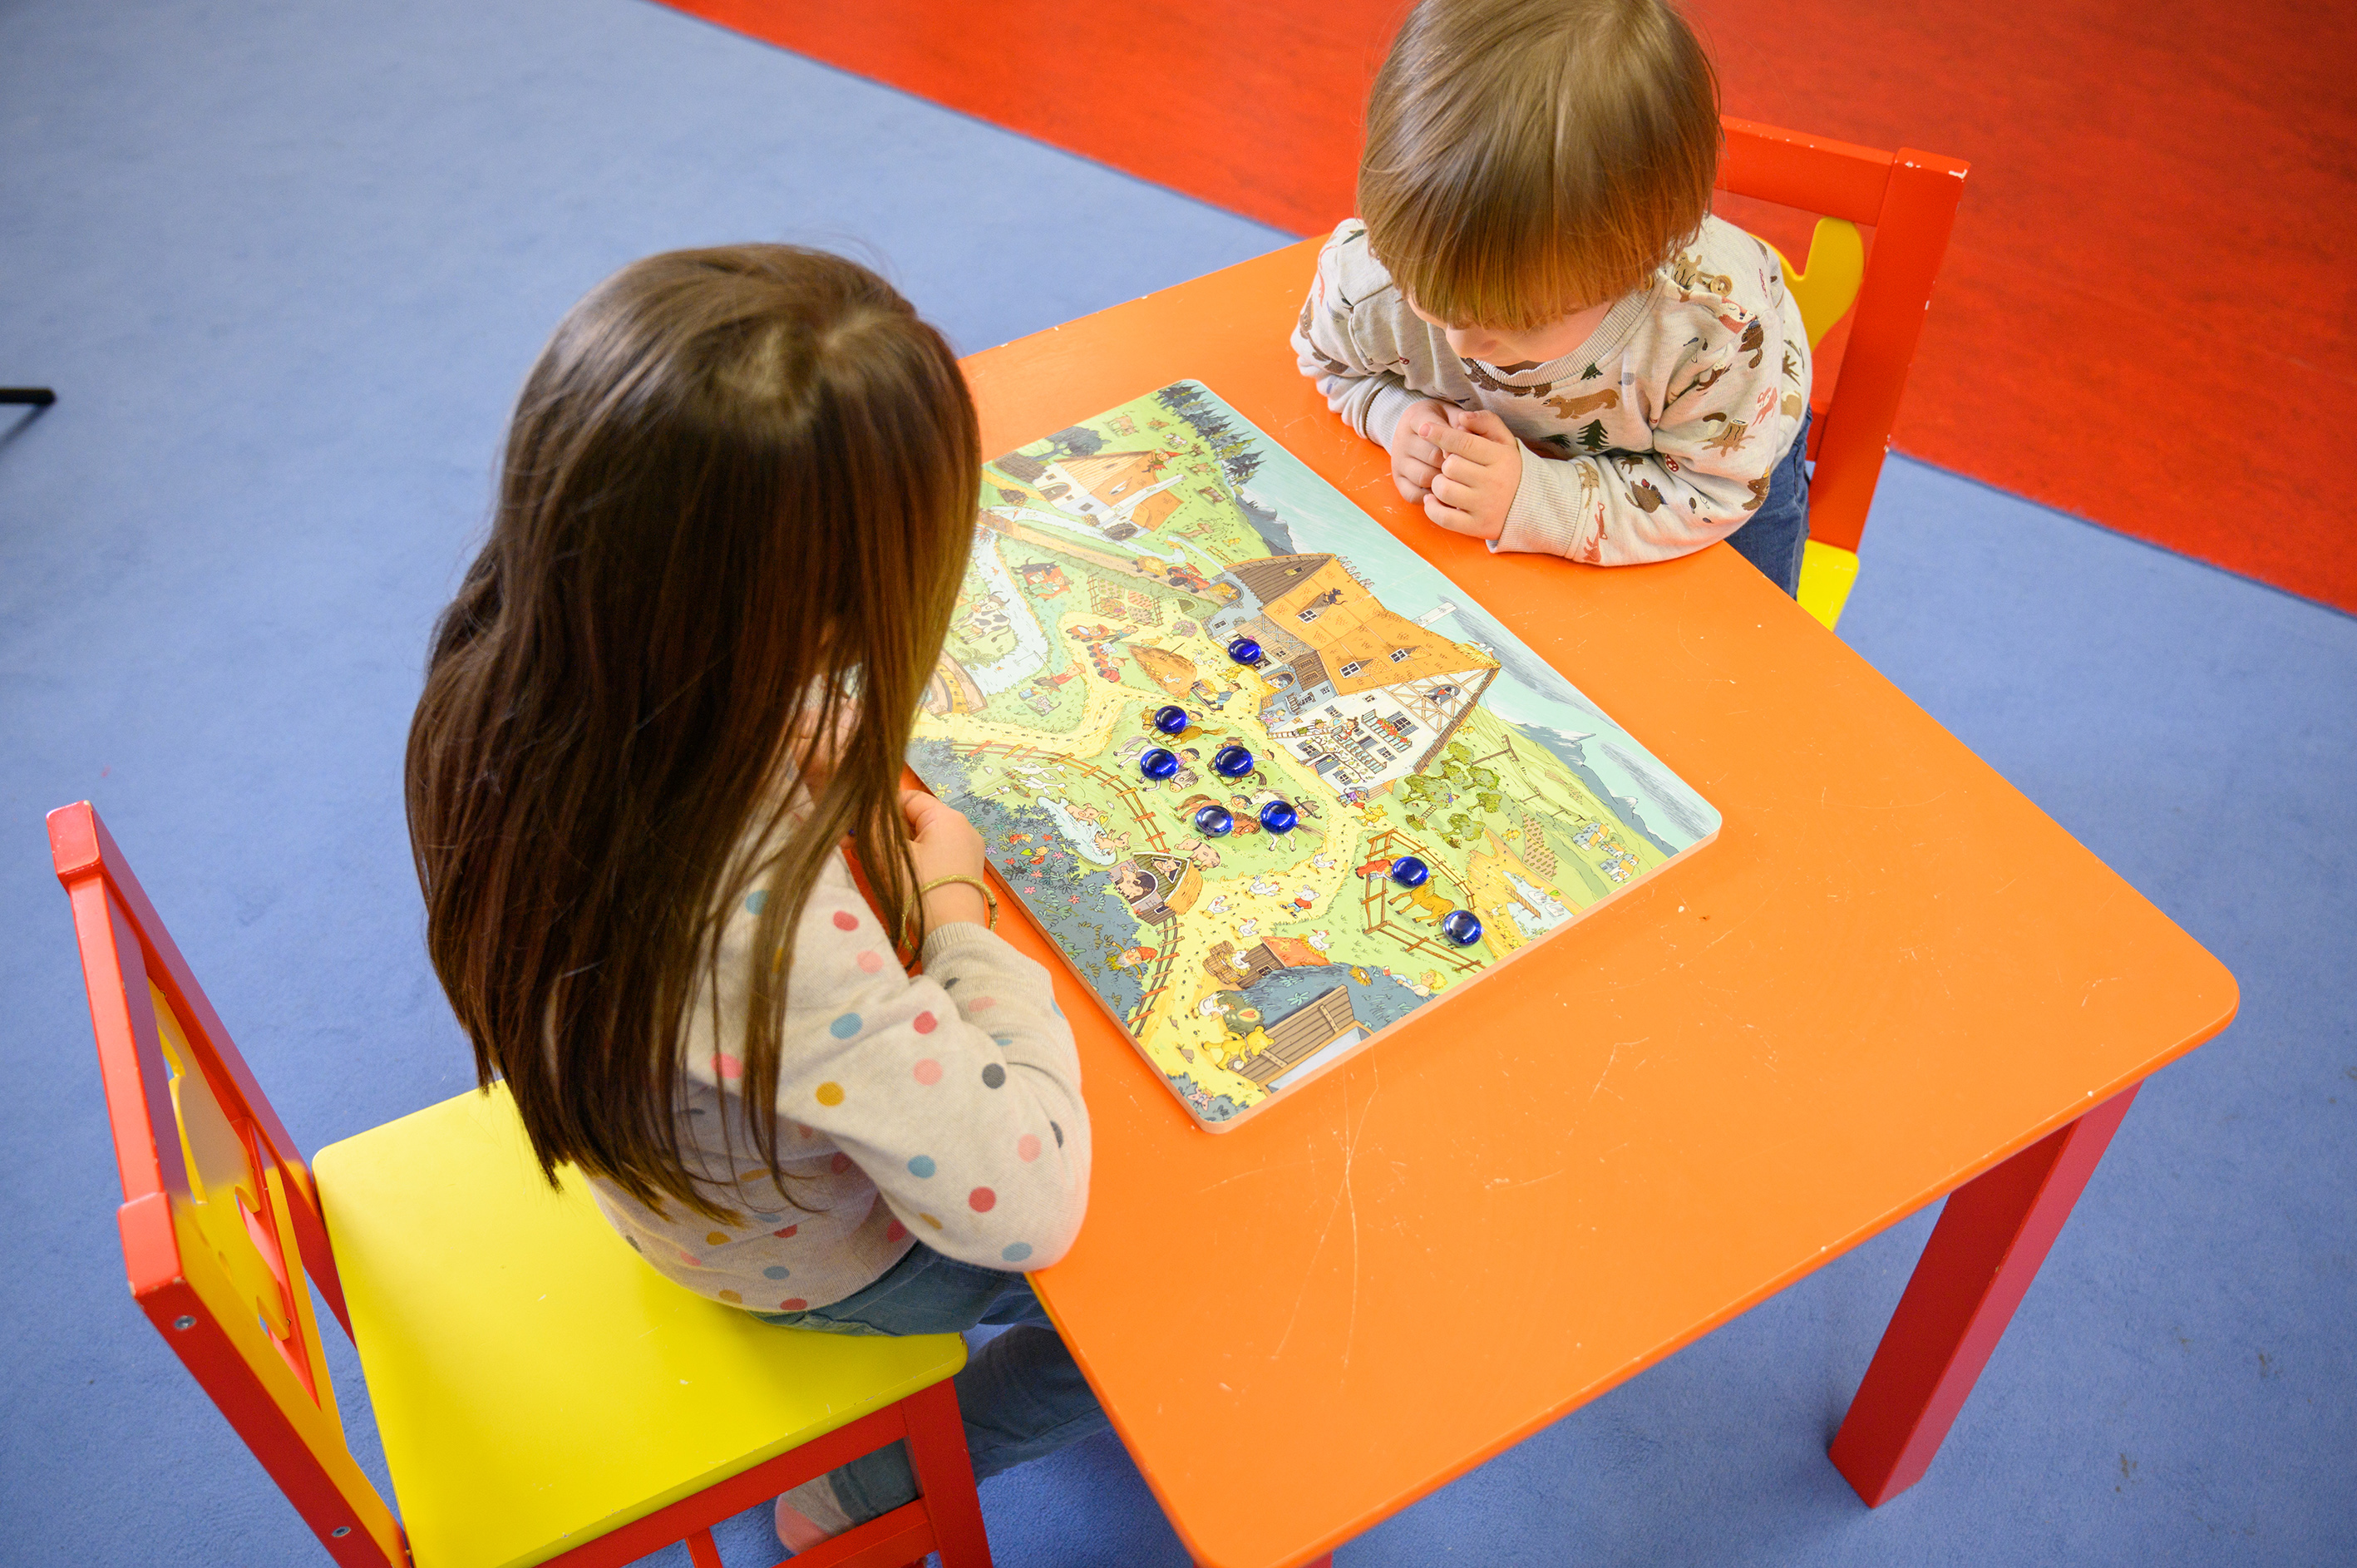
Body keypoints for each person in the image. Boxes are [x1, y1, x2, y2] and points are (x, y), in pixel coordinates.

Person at [403, 244, 1103, 1553]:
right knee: (1167, 1297)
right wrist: (955, 911)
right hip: (795, 1262)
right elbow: (1027, 1204)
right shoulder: (763, 924)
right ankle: (877, 1481)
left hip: (649, 1162)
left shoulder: (499, 660)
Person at [1292, 0, 1815, 595]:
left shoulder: (1714, 333)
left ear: (1635, 266)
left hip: (1711, 461)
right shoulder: (1370, 282)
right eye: (1430, 301)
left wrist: (1533, 500)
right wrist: (1396, 418)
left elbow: (1713, 492)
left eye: (1525, 322)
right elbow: (1329, 361)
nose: (1464, 345)